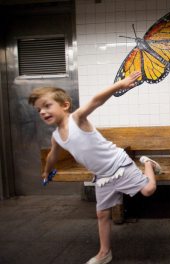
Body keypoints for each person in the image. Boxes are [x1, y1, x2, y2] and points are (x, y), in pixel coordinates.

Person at [28, 71, 161, 264]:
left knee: (149, 189)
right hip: (102, 176)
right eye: (39, 109)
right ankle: (104, 252)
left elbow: (96, 100)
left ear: (65, 105)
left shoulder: (77, 119)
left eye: (47, 106)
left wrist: (120, 85)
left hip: (119, 164)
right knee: (102, 213)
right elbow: (53, 155)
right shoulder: (56, 136)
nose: (42, 111)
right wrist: (46, 170)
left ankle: (147, 162)